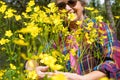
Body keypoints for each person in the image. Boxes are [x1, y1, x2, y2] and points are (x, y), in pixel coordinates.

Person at [25, 0, 120, 80]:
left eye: (72, 2)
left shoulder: (99, 28)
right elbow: (35, 58)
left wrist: (83, 79)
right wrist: (32, 69)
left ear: (82, 4)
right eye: (61, 6)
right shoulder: (59, 38)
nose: (67, 8)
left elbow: (113, 62)